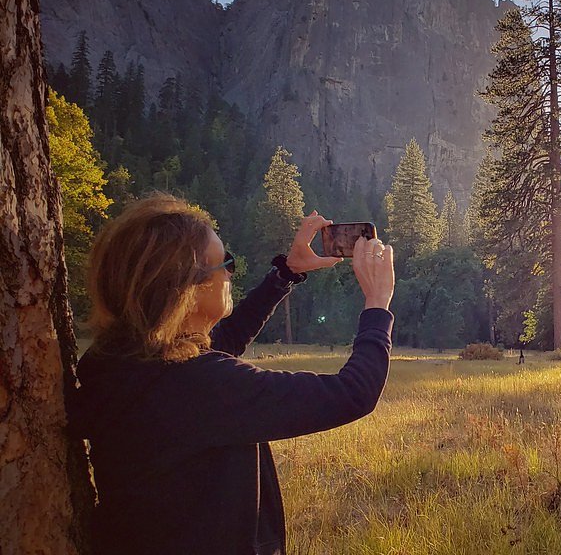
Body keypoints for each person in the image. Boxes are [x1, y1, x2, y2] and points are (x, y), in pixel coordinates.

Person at [68, 193, 395, 554]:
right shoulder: (200, 387)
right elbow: (352, 394)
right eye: (224, 263)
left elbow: (222, 343)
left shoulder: (118, 365)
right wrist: (377, 305)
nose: (230, 271)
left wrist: (287, 272)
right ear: (186, 292)